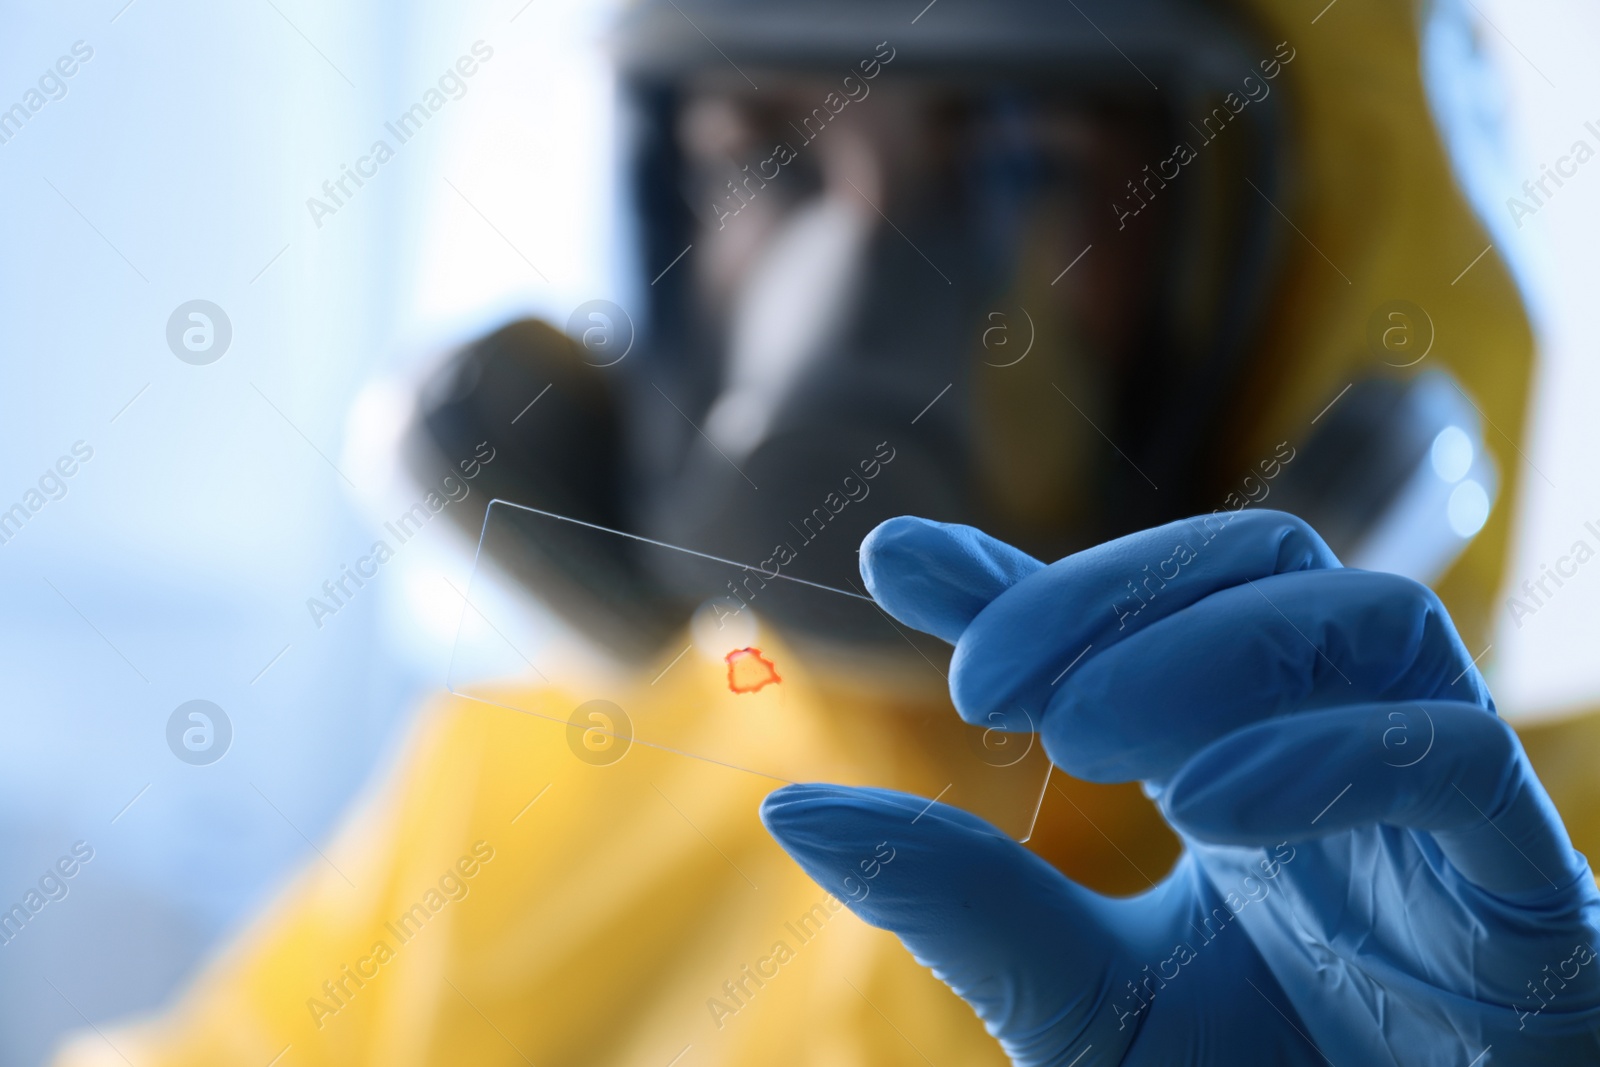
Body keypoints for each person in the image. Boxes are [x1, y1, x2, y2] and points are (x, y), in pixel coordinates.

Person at [53, 0, 1600, 1063]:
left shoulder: (1517, 886)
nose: (854, 286)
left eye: (1017, 162)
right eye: (758, 155)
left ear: (1293, 289)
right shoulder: (512, 807)